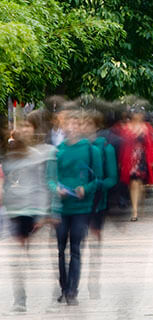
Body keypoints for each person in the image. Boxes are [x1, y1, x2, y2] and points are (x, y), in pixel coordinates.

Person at [1, 110, 56, 312]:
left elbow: (42, 185)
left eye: (27, 126)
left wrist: (42, 214)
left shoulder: (38, 155)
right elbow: (5, 182)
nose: (23, 130)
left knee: (35, 256)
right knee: (18, 257)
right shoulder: (9, 155)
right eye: (20, 127)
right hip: (15, 210)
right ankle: (20, 298)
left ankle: (52, 292)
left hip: (33, 210)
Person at [54, 104, 103, 306]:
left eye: (76, 123)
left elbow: (98, 179)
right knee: (60, 249)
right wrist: (55, 188)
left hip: (81, 208)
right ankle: (64, 286)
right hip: (62, 207)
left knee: (75, 248)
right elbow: (50, 178)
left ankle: (72, 290)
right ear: (63, 127)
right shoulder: (58, 151)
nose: (72, 127)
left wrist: (86, 188)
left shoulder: (91, 151)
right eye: (68, 123)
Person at [83, 106, 118, 300]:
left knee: (94, 244)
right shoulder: (74, 146)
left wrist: (97, 185)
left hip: (97, 202)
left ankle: (93, 281)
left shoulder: (106, 148)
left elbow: (112, 178)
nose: (84, 127)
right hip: (76, 202)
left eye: (89, 124)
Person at [117, 105, 153, 222]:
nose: (138, 115)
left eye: (139, 113)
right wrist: (121, 161)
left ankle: (136, 208)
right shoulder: (126, 127)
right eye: (135, 113)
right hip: (129, 159)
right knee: (133, 183)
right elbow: (122, 146)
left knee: (137, 182)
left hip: (142, 158)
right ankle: (135, 209)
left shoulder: (147, 128)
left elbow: (152, 145)